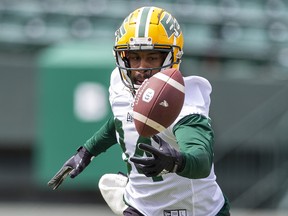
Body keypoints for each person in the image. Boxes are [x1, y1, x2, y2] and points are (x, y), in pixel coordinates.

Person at [48, 6, 230, 216]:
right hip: (141, 208)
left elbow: (201, 160)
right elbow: (119, 122)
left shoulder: (186, 104)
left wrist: (176, 161)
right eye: (134, 58)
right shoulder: (120, 86)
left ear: (172, 57)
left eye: (152, 58)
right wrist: (87, 151)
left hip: (198, 211)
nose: (141, 68)